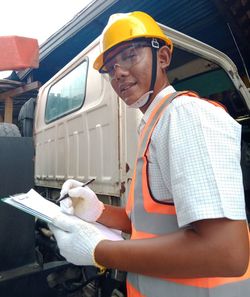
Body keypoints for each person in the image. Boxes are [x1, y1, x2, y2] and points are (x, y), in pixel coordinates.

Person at [49, 11, 250, 297]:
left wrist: (98, 250)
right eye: (110, 67)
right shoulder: (153, 125)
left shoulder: (185, 116)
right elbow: (147, 224)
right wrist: (97, 211)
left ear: (164, 57)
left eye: (130, 55)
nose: (117, 72)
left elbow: (226, 252)